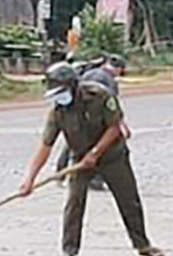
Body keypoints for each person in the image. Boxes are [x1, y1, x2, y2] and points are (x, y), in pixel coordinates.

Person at [21, 62, 164, 256]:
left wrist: (95, 153)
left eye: (61, 91)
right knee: (74, 201)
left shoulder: (99, 95)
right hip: (80, 159)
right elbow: (45, 146)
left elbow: (115, 127)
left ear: (72, 86)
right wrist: (29, 179)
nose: (58, 96)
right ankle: (69, 251)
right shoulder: (58, 112)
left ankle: (142, 244)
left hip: (113, 156)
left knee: (128, 199)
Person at [56, 55, 131, 188]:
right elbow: (112, 107)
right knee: (100, 146)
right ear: (117, 69)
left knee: (71, 143)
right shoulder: (108, 80)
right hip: (94, 118)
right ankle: (95, 179)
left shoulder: (89, 73)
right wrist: (122, 125)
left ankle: (60, 174)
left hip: (76, 114)